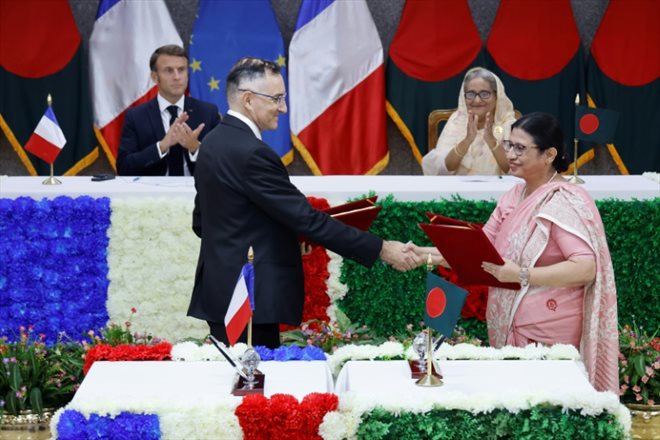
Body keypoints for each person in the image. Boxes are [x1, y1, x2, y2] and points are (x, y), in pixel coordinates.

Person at [189, 57, 417, 348]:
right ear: (248, 99)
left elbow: (203, 222)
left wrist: (281, 236)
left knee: (234, 384)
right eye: (277, 99)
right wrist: (383, 249)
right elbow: (306, 219)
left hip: (222, 290)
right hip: (248, 295)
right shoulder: (252, 153)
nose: (283, 108)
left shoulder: (213, 142)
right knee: (251, 382)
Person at [410, 113, 618, 393]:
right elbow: (479, 251)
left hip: (549, 331)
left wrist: (522, 274)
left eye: (520, 148)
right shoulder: (513, 196)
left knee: (546, 413)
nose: (510, 154)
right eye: (509, 145)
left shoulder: (564, 200)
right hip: (508, 325)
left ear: (549, 154)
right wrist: (421, 254)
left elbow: (585, 268)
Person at [117, 45, 220, 176]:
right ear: (155, 77)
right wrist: (162, 146)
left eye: (181, 70)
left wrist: (195, 148)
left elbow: (224, 164)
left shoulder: (208, 112)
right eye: (169, 71)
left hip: (197, 193)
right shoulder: (136, 116)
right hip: (152, 193)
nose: (177, 77)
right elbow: (124, 167)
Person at [422, 67, 516, 176]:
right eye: (471, 94)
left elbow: (515, 171)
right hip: (459, 191)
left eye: (484, 94)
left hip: (500, 191)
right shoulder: (457, 121)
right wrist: (467, 140)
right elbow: (443, 169)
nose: (477, 100)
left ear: (497, 96)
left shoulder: (508, 124)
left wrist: (492, 142)